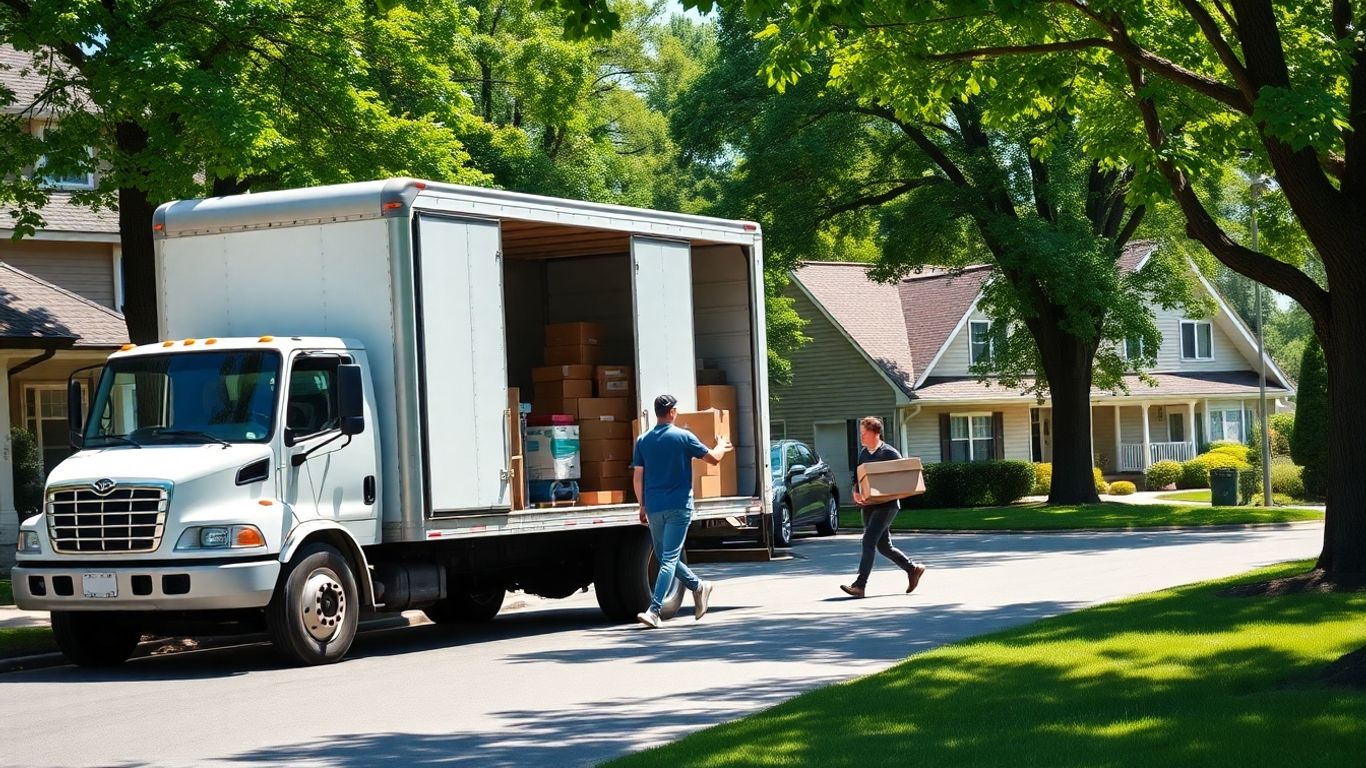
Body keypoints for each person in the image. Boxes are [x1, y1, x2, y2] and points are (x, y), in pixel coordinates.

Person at [631, 394, 732, 629]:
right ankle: (695, 589)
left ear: (656, 412)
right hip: (679, 506)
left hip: (654, 507)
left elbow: (638, 477)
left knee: (665, 556)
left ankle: (658, 607)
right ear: (673, 412)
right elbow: (714, 459)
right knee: (668, 558)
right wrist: (721, 445)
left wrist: (642, 504)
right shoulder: (683, 437)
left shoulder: (643, 440)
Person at [841, 416, 926, 598]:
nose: (862, 437)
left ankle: (860, 585)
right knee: (884, 546)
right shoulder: (863, 454)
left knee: (868, 541)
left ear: (876, 433)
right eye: (861, 434)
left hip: (887, 506)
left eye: (865, 433)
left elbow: (903, 477)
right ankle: (913, 569)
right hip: (869, 506)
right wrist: (856, 493)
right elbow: (857, 479)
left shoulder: (889, 453)